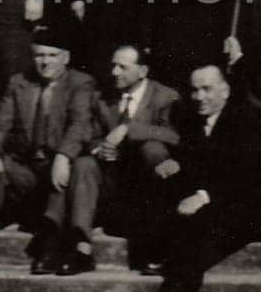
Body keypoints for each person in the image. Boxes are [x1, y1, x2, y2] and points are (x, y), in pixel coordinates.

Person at [0, 26, 97, 274]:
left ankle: (51, 246)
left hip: (57, 168)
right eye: (39, 55)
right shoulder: (19, 82)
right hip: (28, 170)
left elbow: (80, 123)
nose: (45, 62)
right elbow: (0, 122)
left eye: (52, 55)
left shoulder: (80, 83)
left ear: (65, 58)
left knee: (69, 169)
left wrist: (63, 156)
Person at [153, 63, 261, 292]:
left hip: (245, 206)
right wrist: (175, 163)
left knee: (202, 223)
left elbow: (243, 177)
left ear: (225, 91)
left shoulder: (244, 120)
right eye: (195, 90)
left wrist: (202, 196)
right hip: (212, 199)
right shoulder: (192, 120)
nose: (199, 97)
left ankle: (181, 287)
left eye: (207, 89)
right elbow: (197, 163)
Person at [71, 44, 181, 275]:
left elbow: (174, 136)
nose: (114, 72)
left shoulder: (165, 97)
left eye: (123, 67)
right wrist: (99, 149)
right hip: (111, 183)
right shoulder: (103, 98)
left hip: (146, 183)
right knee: (84, 164)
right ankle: (81, 248)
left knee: (154, 149)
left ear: (142, 71)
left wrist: (128, 128)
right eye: (113, 65)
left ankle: (155, 245)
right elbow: (90, 135)